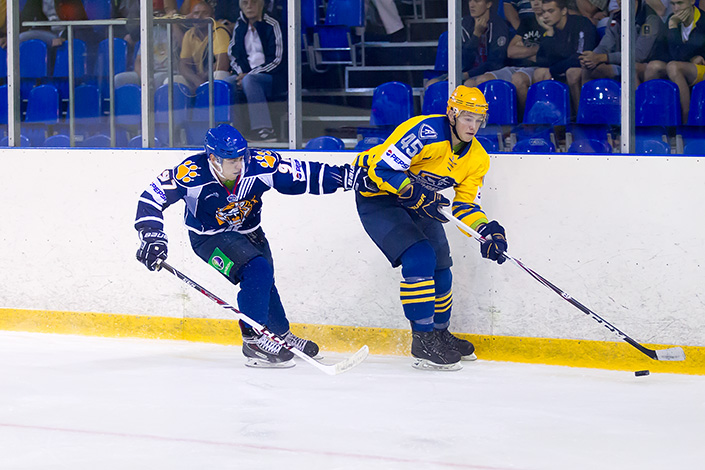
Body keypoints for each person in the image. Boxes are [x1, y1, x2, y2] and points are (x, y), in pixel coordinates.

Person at [134, 124, 355, 368]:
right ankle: (253, 340)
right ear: (213, 159)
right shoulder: (190, 174)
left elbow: (301, 174)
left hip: (250, 233)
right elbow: (150, 199)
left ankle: (279, 334)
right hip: (209, 237)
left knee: (263, 280)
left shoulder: (259, 164)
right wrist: (152, 236)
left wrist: (345, 177)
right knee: (257, 270)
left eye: (241, 157)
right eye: (232, 161)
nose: (239, 165)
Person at [352, 86, 508, 371]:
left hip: (419, 200)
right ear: (452, 114)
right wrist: (413, 191)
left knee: (441, 264)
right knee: (420, 257)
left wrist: (485, 232)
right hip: (378, 196)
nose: (473, 127)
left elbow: (465, 207)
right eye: (467, 118)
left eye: (478, 120)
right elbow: (381, 170)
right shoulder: (424, 132)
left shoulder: (477, 158)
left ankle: (438, 333)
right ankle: (422, 341)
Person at [471, 0, 547, 118]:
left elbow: (550, 54)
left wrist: (524, 50)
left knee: (518, 79)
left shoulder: (554, 25)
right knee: (482, 80)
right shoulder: (527, 22)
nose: (536, 3)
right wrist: (536, 50)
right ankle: (492, 123)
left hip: (536, 68)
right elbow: (511, 52)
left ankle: (525, 121)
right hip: (515, 66)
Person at [572, 0, 666, 94]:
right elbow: (606, 45)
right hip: (622, 62)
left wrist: (603, 57)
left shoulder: (649, 17)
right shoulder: (616, 17)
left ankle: (635, 103)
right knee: (588, 68)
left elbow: (639, 55)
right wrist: (592, 56)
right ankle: (588, 102)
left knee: (631, 68)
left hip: (647, 64)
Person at [226, 0, 285, 142]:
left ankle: (264, 130)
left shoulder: (272, 24)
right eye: (245, 3)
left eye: (253, 2)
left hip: (272, 77)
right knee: (226, 83)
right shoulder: (240, 25)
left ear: (261, 4)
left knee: (250, 80)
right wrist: (241, 73)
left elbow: (277, 59)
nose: (249, 6)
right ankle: (235, 130)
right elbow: (233, 54)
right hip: (245, 75)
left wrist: (250, 74)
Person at [644, 0, 705, 123]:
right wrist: (690, 58)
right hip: (683, 63)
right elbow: (660, 53)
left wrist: (673, 27)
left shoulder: (702, 21)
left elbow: (679, 55)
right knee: (653, 66)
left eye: (680, 3)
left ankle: (686, 120)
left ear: (692, 1)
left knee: (674, 67)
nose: (676, 9)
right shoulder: (672, 20)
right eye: (672, 4)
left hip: (701, 68)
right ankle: (653, 119)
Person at [532, 0, 597, 114]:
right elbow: (541, 60)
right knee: (539, 72)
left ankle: (581, 116)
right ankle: (549, 117)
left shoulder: (581, 24)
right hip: (562, 68)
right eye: (543, 12)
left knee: (572, 73)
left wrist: (554, 69)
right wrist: (549, 34)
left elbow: (580, 57)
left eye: (550, 11)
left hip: (587, 67)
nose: (545, 16)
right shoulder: (550, 29)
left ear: (563, 11)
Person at [177, 1, 232, 93]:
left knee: (219, 74)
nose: (199, 17)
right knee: (174, 80)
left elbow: (222, 64)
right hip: (197, 78)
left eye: (205, 13)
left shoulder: (219, 31)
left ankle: (217, 102)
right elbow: (184, 65)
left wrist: (203, 78)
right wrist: (196, 80)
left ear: (213, 17)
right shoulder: (189, 34)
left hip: (214, 76)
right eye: (196, 13)